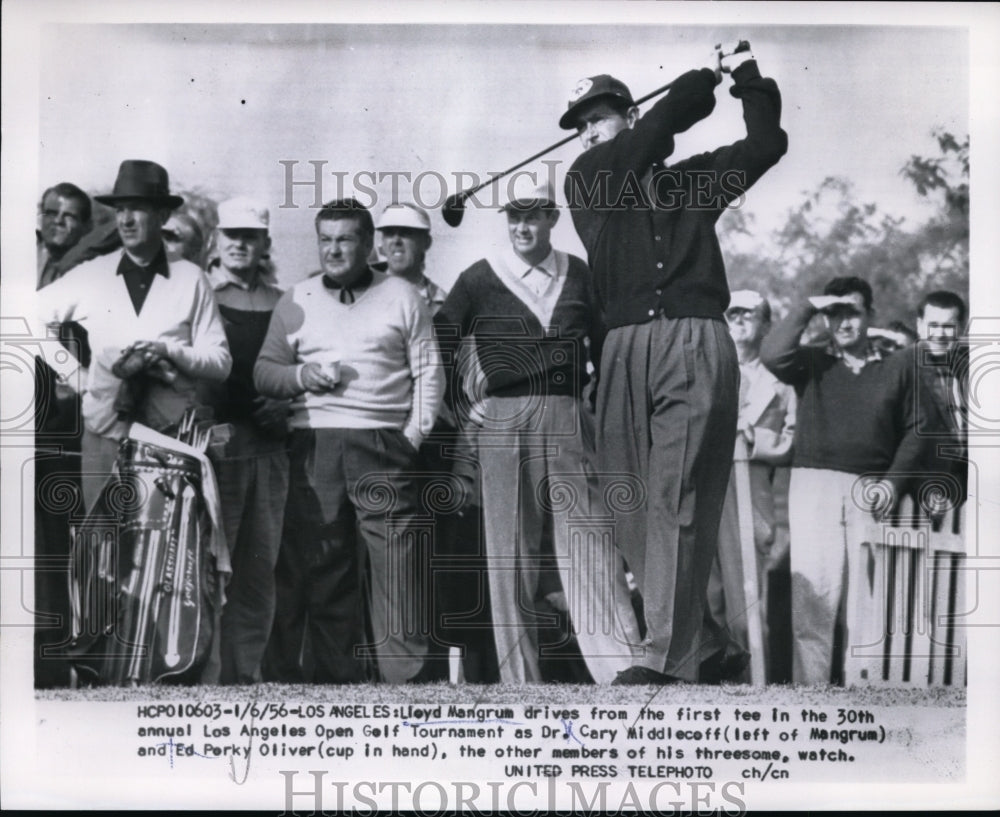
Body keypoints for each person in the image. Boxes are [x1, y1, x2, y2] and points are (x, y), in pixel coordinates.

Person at [561, 43, 788, 684]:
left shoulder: (690, 179)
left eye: (596, 118)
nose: (586, 133)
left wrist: (742, 74)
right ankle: (705, 643)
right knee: (630, 504)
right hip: (624, 348)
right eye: (578, 126)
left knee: (677, 497)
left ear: (627, 114)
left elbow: (765, 145)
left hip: (693, 342)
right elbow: (662, 127)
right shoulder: (589, 177)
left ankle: (664, 656)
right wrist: (695, 83)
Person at [434, 178, 641, 684]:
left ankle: (621, 671)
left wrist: (597, 412)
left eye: (533, 215)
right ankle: (519, 681)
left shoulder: (580, 273)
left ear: (553, 218)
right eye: (513, 216)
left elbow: (607, 347)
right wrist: (465, 407)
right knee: (511, 556)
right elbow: (437, 342)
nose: (522, 226)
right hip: (503, 421)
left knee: (589, 543)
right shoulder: (480, 277)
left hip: (570, 417)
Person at [254, 198, 443, 684]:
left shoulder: (402, 296)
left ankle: (406, 678)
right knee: (324, 562)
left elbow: (429, 373)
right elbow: (264, 372)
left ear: (367, 243)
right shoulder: (295, 299)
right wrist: (302, 374)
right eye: (326, 239)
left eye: (345, 239)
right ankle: (336, 677)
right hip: (314, 443)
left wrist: (411, 438)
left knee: (398, 562)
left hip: (383, 442)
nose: (334, 249)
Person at [760, 276, 941, 685]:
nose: (844, 324)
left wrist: (893, 483)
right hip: (813, 487)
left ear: (870, 315)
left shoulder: (898, 366)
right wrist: (809, 305)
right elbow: (772, 352)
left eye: (853, 313)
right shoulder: (811, 362)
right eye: (835, 314)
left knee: (867, 605)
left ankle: (865, 699)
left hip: (871, 490)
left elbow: (917, 430)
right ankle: (813, 703)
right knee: (814, 604)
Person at [36, 159, 232, 512]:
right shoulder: (94, 274)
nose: (125, 220)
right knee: (102, 555)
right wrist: (76, 377)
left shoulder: (191, 279)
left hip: (168, 440)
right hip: (104, 438)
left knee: (160, 560)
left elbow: (220, 362)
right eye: (120, 210)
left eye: (137, 209)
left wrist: (170, 351)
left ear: (161, 216)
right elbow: (24, 319)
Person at [199, 196, 290, 684]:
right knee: (216, 569)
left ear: (264, 244)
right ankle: (207, 676)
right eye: (231, 234)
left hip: (272, 452)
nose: (239, 243)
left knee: (259, 571)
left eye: (250, 236)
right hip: (216, 453)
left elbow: (305, 370)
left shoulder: (287, 302)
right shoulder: (202, 297)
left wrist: (287, 407)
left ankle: (245, 675)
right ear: (216, 241)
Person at [703, 290, 795, 683]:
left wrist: (753, 435)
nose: (739, 321)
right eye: (732, 314)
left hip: (751, 494)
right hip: (705, 490)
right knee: (710, 597)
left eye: (749, 314)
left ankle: (754, 687)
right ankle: (709, 688)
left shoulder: (781, 384)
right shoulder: (705, 372)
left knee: (747, 601)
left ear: (766, 325)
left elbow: (793, 437)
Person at [913, 290, 968, 508]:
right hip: (916, 494)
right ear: (919, 325)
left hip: (964, 488)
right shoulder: (901, 371)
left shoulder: (969, 371)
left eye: (948, 326)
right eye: (932, 325)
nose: (939, 334)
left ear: (961, 328)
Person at [374, 202, 447, 313]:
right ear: (382, 243)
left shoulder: (443, 304)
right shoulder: (361, 294)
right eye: (389, 233)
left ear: (426, 242)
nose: (396, 241)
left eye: (406, 232)